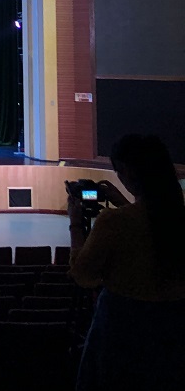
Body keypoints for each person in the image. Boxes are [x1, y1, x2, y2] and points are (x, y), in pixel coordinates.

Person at [68, 134, 185, 390]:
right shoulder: (178, 217)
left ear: (129, 172)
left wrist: (75, 223)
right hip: (173, 336)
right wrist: (122, 201)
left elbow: (83, 274)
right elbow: (151, 225)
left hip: (121, 331)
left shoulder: (113, 222)